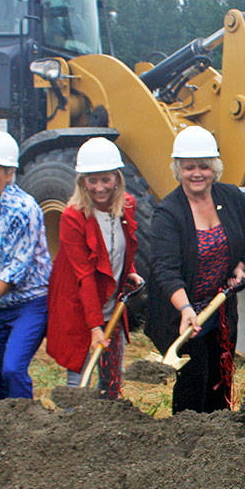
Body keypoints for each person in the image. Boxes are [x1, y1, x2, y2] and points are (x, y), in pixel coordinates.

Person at [145, 126, 245, 414]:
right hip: (184, 312)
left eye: (204, 166)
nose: (197, 173)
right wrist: (185, 308)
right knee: (193, 380)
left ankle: (219, 440)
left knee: (221, 378)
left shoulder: (231, 197)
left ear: (215, 168)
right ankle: (186, 441)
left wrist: (240, 265)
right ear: (178, 170)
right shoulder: (169, 213)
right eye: (189, 167)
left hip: (220, 307)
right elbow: (165, 269)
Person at [46, 138, 144, 399]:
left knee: (113, 373)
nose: (100, 188)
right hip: (79, 302)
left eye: (106, 180)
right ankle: (72, 421)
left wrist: (130, 270)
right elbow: (84, 275)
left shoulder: (127, 206)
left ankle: (109, 422)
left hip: (111, 299)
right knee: (79, 372)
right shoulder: (72, 216)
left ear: (117, 179)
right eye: (92, 181)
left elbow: (125, 246)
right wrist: (94, 326)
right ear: (82, 182)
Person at [0, 131, 52, 403]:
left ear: (9, 173)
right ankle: (1, 425)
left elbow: (16, 269)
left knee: (12, 369)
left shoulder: (24, 209)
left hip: (29, 302)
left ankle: (26, 428)